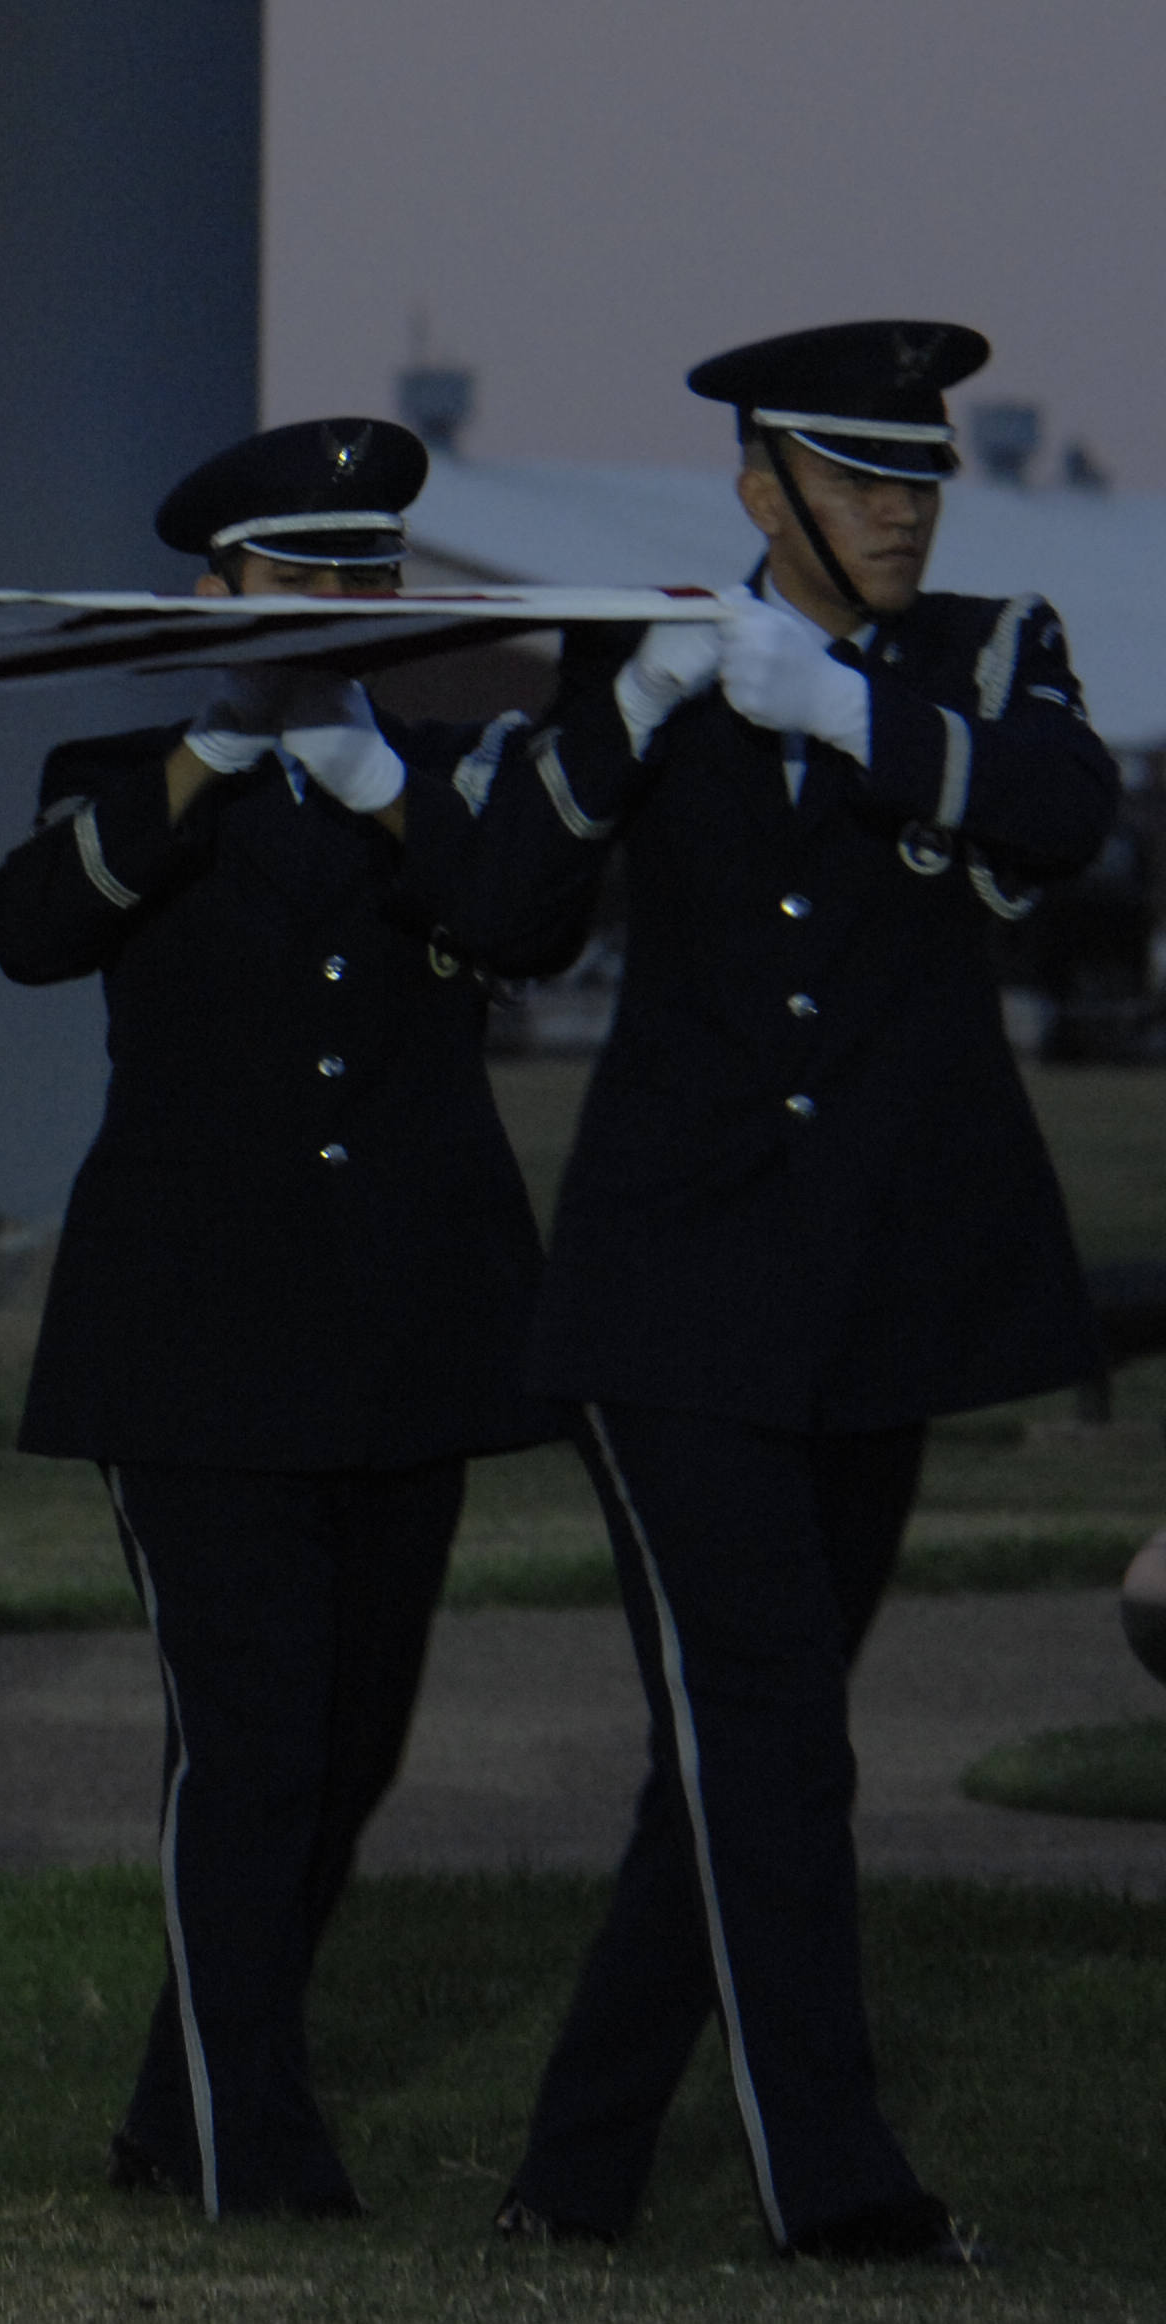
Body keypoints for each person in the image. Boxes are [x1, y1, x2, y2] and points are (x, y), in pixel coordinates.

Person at [456, 321, 1118, 2264]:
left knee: (744, 1743)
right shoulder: (636, 659)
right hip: (678, 1299)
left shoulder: (988, 657)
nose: (902, 508)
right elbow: (495, 918)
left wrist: (840, 710)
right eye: (857, 481)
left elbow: (1064, 819)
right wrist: (630, 717)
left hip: (889, 1292)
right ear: (765, 493)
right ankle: (836, 2190)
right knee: (771, 1731)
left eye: (917, 479)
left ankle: (572, 2172)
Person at [0, 417, 560, 2218]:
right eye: (302, 573)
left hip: (411, 1330)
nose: (337, 603)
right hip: (193, 1338)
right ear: (218, 589)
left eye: (364, 572)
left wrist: (383, 783)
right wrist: (213, 759)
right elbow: (28, 927)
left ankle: (177, 2106)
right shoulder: (125, 766)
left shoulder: (456, 771)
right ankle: (257, 2148)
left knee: (351, 1751)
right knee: (248, 1741)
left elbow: (531, 928)